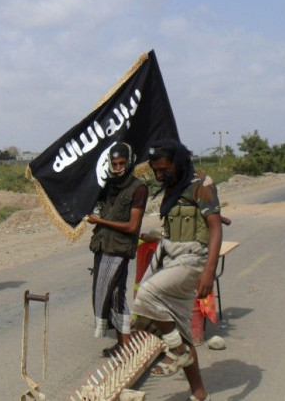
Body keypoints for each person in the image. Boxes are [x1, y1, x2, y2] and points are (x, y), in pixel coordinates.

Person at [132, 139, 222, 401]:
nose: (159, 175)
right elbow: (179, 226)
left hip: (194, 259)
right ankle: (199, 392)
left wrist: (209, 271)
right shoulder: (174, 186)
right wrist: (157, 237)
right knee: (181, 329)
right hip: (172, 255)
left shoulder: (201, 184)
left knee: (147, 294)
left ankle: (177, 351)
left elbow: (215, 229)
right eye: (156, 170)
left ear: (177, 162)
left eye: (164, 169)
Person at [86, 142, 148, 357]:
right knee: (106, 296)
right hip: (103, 246)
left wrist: (101, 221)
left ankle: (126, 346)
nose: (118, 167)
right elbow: (99, 211)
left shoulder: (138, 188)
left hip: (119, 250)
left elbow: (132, 226)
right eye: (114, 164)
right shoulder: (108, 186)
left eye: (122, 163)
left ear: (130, 163)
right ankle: (123, 343)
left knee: (116, 295)